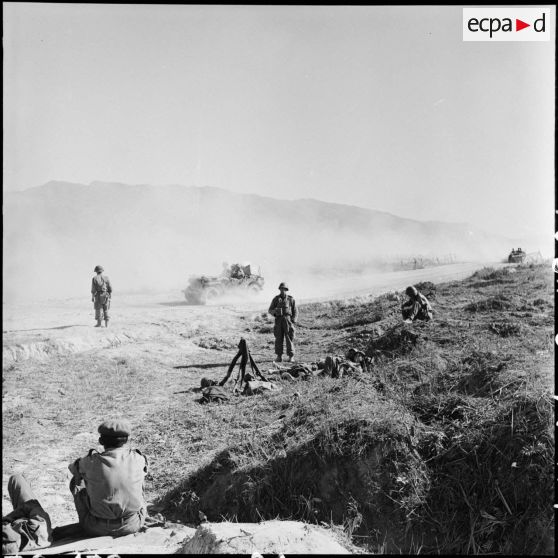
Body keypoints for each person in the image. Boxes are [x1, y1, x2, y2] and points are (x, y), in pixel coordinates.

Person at [68, 419, 148, 537]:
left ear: (101, 441)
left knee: (77, 486)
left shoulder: (89, 461)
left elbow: (72, 469)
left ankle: (91, 519)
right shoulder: (139, 458)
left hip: (96, 528)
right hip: (132, 525)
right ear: (126, 441)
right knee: (138, 481)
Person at [2, 474, 53, 554]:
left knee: (16, 480)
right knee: (16, 479)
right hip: (38, 532)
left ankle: (20, 510)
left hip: (33, 535)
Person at [268, 282, 298, 363]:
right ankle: (279, 356)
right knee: (278, 338)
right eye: (281, 289)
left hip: (287, 320)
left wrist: (293, 320)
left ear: (286, 290)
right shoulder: (276, 299)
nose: (282, 291)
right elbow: (270, 310)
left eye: (284, 289)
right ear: (279, 289)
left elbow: (295, 310)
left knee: (289, 338)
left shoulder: (290, 299)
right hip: (278, 320)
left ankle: (291, 356)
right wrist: (275, 312)